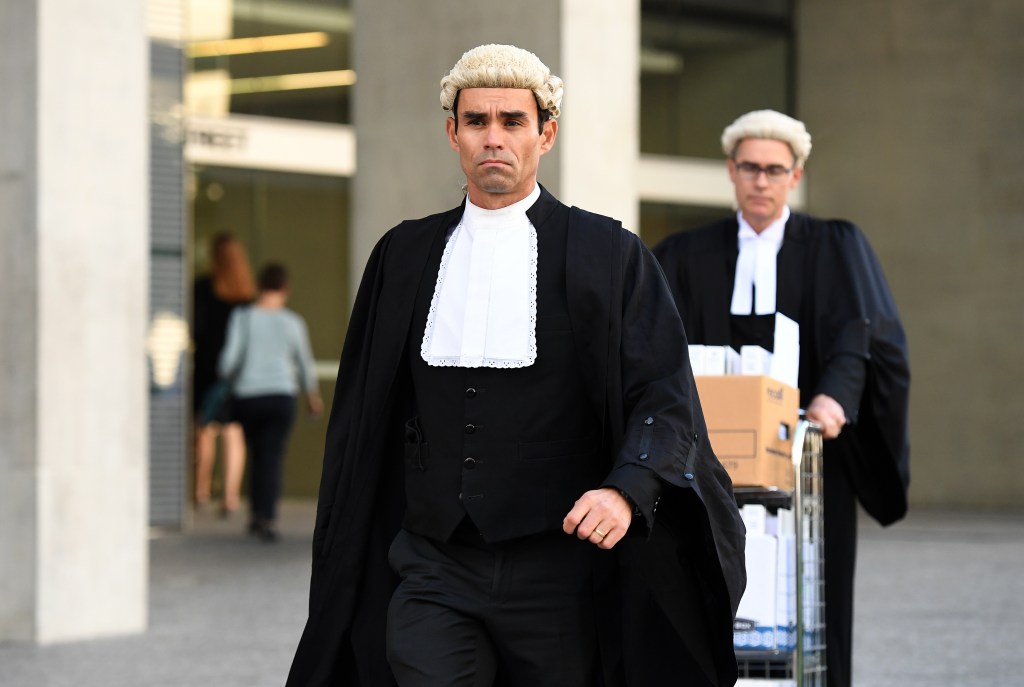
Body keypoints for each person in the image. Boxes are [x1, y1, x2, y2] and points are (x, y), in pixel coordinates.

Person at [286, 44, 746, 687]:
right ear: (453, 134)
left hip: (559, 575)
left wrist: (627, 488)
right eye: (476, 122)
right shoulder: (405, 254)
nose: (493, 138)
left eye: (512, 121)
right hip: (433, 566)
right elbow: (365, 413)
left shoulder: (608, 254)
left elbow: (663, 395)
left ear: (545, 133)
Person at [653, 109, 911, 687]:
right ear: (731, 171)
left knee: (815, 600)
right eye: (750, 168)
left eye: (774, 169)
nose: (761, 181)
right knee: (707, 589)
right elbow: (659, 341)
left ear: (795, 175)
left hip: (809, 459)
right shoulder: (686, 253)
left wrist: (834, 401)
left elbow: (858, 333)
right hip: (712, 458)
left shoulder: (833, 245)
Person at [219, 263, 323, 542]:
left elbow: (227, 362)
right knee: (272, 455)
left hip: (248, 397)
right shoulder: (293, 322)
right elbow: (304, 364)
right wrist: (312, 396)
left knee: (256, 453)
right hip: (281, 396)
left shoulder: (242, 317)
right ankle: (268, 517)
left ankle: (256, 513)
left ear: (259, 285)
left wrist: (234, 377)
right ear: (285, 289)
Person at [192, 232, 256, 516]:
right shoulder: (248, 295)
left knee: (205, 431)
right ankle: (230, 497)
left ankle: (201, 491)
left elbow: (196, 329)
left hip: (206, 367)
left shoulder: (203, 288)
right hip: (237, 373)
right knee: (234, 433)